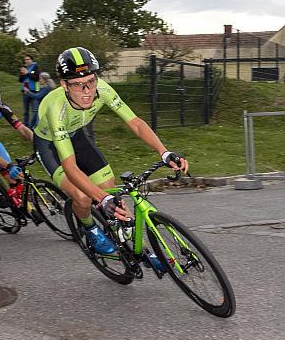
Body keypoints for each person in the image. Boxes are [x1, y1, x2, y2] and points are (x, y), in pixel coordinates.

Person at [33, 47, 188, 258]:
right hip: (49, 144)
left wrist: (163, 152)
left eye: (91, 81)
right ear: (64, 85)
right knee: (83, 196)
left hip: (76, 135)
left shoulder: (103, 90)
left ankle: (132, 243)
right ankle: (90, 228)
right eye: (78, 85)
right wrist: (102, 199)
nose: (87, 91)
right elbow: (70, 167)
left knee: (109, 187)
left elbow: (135, 123)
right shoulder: (56, 108)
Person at [18, 54, 41, 128]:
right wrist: (22, 74)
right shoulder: (23, 67)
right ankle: (26, 126)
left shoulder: (35, 67)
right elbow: (20, 80)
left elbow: (36, 78)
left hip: (33, 91)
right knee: (25, 111)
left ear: (32, 60)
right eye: (25, 60)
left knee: (35, 110)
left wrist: (27, 73)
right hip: (25, 91)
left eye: (28, 59)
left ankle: (33, 125)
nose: (26, 61)